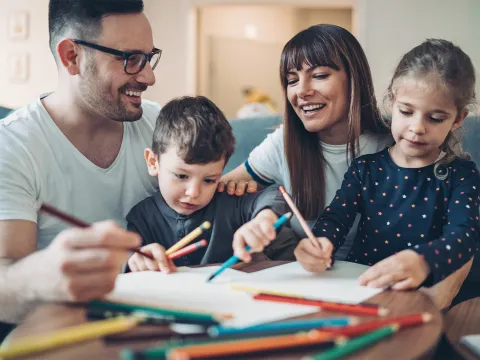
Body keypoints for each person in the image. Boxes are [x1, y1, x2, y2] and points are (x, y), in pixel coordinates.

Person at [0, 0, 160, 324]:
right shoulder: (13, 146)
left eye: (149, 57)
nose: (149, 77)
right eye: (131, 59)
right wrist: (41, 277)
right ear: (71, 57)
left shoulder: (162, 127)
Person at [294, 39, 480, 291]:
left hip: (422, 293)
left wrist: (423, 262)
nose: (417, 128)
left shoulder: (461, 175)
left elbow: (464, 237)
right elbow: (336, 218)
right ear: (391, 102)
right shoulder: (365, 168)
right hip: (363, 287)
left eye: (435, 118)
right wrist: (319, 243)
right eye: (406, 112)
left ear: (458, 119)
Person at [223, 24, 392, 261]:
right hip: (307, 276)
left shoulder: (392, 146)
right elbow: (214, 188)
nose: (301, 91)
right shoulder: (283, 142)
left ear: (355, 80)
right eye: (292, 80)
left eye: (320, 75)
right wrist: (260, 210)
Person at [126, 96, 291, 273]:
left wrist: (264, 218)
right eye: (182, 175)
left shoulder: (230, 202)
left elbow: (275, 195)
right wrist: (137, 260)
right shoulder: (141, 218)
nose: (194, 192)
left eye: (209, 180)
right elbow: (128, 266)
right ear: (153, 162)